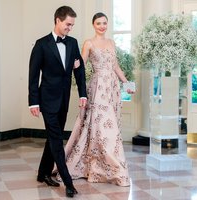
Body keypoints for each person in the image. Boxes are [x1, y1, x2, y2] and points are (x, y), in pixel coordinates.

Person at [55, 12, 134, 187]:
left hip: (111, 88)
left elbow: (115, 66)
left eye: (105, 23)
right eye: (99, 23)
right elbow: (81, 65)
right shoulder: (88, 43)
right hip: (98, 88)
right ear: (93, 25)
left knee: (108, 126)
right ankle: (115, 170)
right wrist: (72, 65)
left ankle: (104, 167)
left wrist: (127, 83)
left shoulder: (111, 43)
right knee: (103, 127)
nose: (102, 26)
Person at [28, 6, 87, 198]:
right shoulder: (41, 44)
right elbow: (33, 75)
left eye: (72, 25)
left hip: (64, 99)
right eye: (68, 24)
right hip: (47, 100)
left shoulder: (72, 43)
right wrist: (33, 102)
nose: (70, 28)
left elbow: (79, 71)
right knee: (57, 139)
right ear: (57, 20)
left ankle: (42, 173)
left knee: (54, 137)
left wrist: (83, 94)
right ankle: (68, 182)